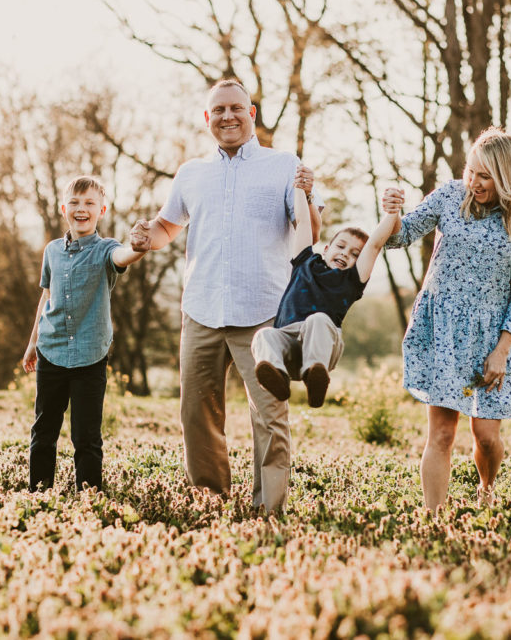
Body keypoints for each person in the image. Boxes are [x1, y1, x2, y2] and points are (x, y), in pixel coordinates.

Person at [128, 79, 320, 513]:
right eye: (218, 111)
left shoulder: (285, 165)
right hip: (202, 309)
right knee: (197, 414)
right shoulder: (191, 173)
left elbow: (309, 232)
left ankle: (268, 508)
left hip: (263, 314)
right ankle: (210, 499)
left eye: (236, 108)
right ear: (207, 118)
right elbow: (166, 228)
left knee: (269, 415)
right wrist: (144, 237)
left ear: (251, 114)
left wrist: (307, 196)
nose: (228, 117)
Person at [382, 127, 511, 510]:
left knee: (485, 435)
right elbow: (398, 237)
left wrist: (503, 348)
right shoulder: (449, 196)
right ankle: (434, 518)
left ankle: (486, 491)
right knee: (441, 434)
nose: (474, 182)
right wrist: (390, 213)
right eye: (471, 171)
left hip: (492, 336)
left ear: (507, 177)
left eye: (485, 176)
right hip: (444, 330)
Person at [22, 175, 147, 492]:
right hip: (51, 350)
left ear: (101, 210)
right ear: (64, 208)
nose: (82, 209)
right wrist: (33, 343)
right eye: (75, 203)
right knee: (44, 429)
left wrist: (139, 247)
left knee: (86, 435)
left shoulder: (106, 250)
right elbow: (46, 296)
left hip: (91, 356)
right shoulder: (52, 251)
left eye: (90, 203)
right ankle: (39, 493)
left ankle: (89, 495)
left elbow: (123, 257)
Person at [251, 186, 404, 407]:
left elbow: (375, 244)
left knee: (318, 319)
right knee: (264, 335)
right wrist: (300, 190)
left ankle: (315, 376)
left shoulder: (352, 280)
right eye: (340, 246)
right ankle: (277, 375)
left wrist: (393, 211)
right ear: (326, 249)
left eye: (354, 254)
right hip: (288, 345)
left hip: (322, 346)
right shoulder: (304, 262)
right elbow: (303, 222)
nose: (345, 253)